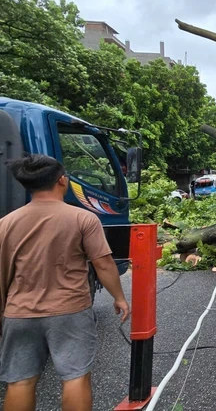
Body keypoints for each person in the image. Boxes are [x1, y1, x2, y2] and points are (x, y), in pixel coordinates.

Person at [0, 154, 130, 411]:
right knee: (75, 376)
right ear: (61, 180)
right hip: (69, 310)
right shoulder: (82, 218)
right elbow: (103, 263)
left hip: (19, 313)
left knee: (20, 382)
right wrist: (120, 298)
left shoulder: (6, 223)